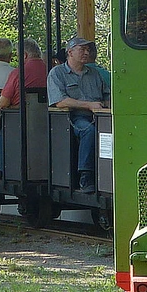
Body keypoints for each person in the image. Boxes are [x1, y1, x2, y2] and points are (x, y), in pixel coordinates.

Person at [47, 35, 111, 194]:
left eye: (88, 49)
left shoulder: (94, 74)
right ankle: (85, 175)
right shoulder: (57, 73)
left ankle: (110, 174)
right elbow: (59, 101)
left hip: (100, 116)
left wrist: (109, 106)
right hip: (73, 119)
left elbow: (107, 96)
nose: (86, 52)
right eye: (82, 49)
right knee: (88, 131)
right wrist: (89, 105)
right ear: (70, 52)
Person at [0, 38, 48, 109]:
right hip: (45, 115)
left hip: (19, 116)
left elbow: (3, 103)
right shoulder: (50, 70)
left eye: (18, 56)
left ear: (24, 55)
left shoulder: (18, 73)